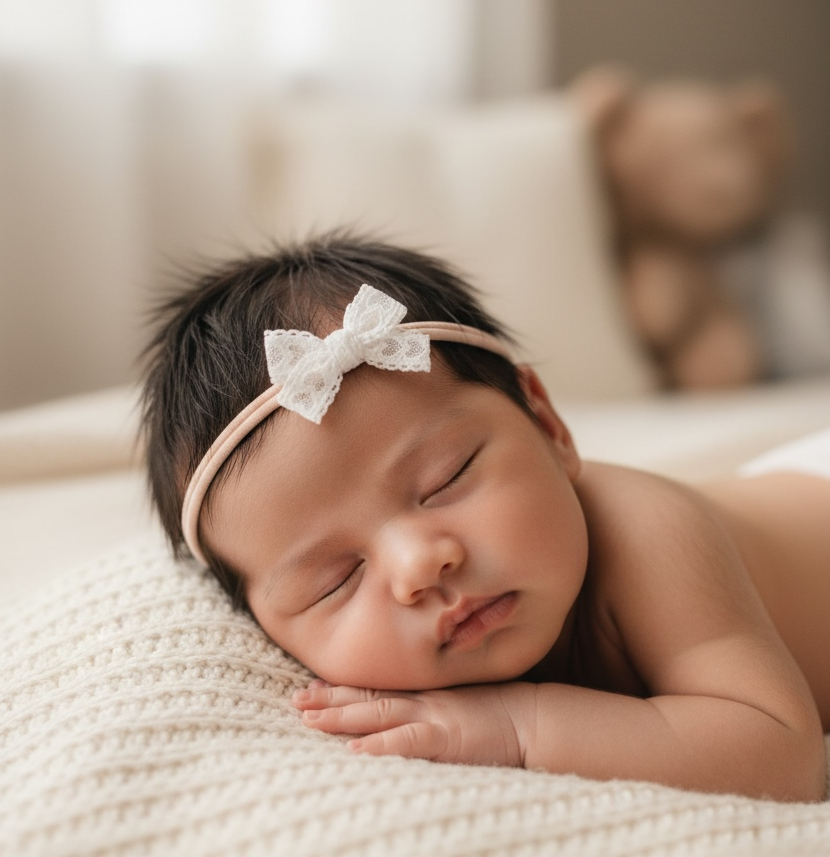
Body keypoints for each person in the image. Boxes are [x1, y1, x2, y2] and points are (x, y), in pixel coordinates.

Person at [141, 234, 830, 802]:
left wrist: (519, 726)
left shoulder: (650, 530)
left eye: (448, 479)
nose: (420, 564)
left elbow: (780, 753)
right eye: (335, 580)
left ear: (547, 423)